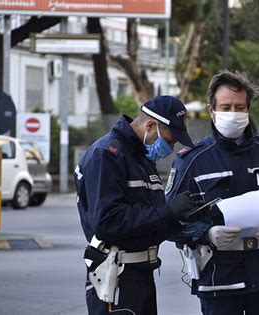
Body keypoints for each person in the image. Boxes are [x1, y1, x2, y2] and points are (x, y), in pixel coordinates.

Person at [165, 70, 259, 315]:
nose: (233, 114)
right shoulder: (192, 160)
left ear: (248, 110)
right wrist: (207, 233)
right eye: (226, 107)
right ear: (211, 110)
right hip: (219, 283)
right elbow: (168, 220)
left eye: (239, 107)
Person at [75, 95, 203, 315]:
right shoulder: (107, 155)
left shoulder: (141, 159)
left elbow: (149, 221)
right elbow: (108, 221)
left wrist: (182, 217)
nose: (171, 148)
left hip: (141, 274)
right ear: (151, 125)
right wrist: (167, 211)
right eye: (170, 140)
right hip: (116, 278)